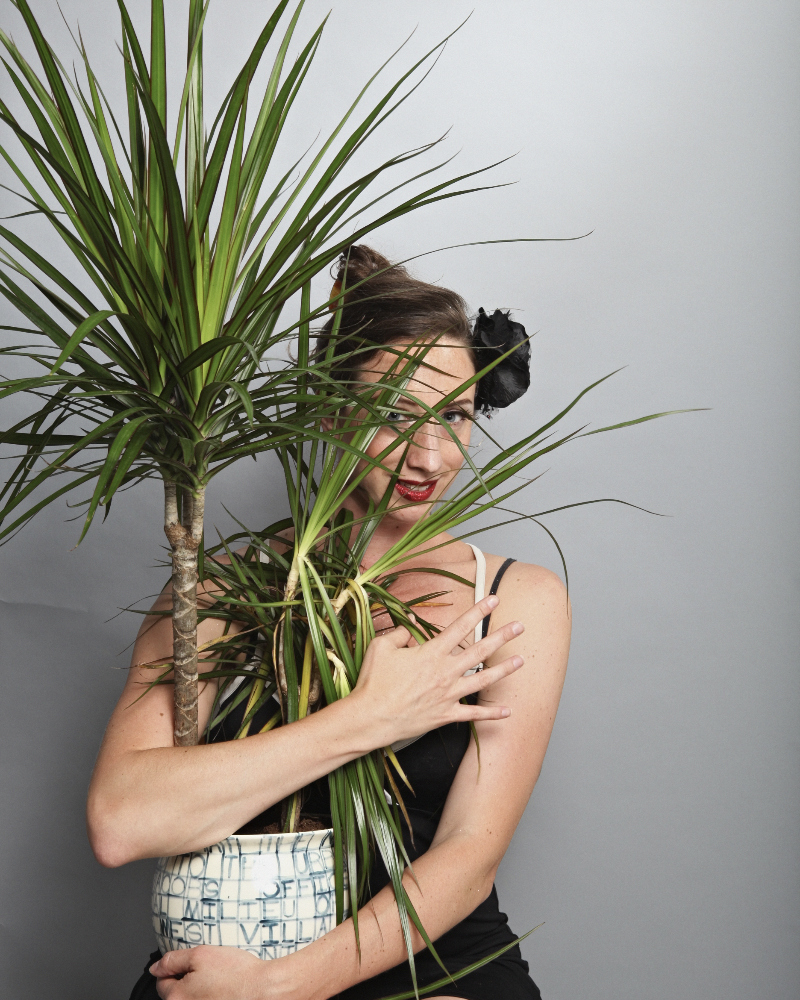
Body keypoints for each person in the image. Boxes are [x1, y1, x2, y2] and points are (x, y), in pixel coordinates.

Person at [87, 246, 571, 1000]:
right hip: (226, 955)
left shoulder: (513, 600)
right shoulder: (218, 588)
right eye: (395, 415)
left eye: (454, 415)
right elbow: (122, 821)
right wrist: (368, 719)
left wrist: (281, 987)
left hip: (431, 962)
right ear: (332, 410)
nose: (431, 455)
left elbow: (470, 857)